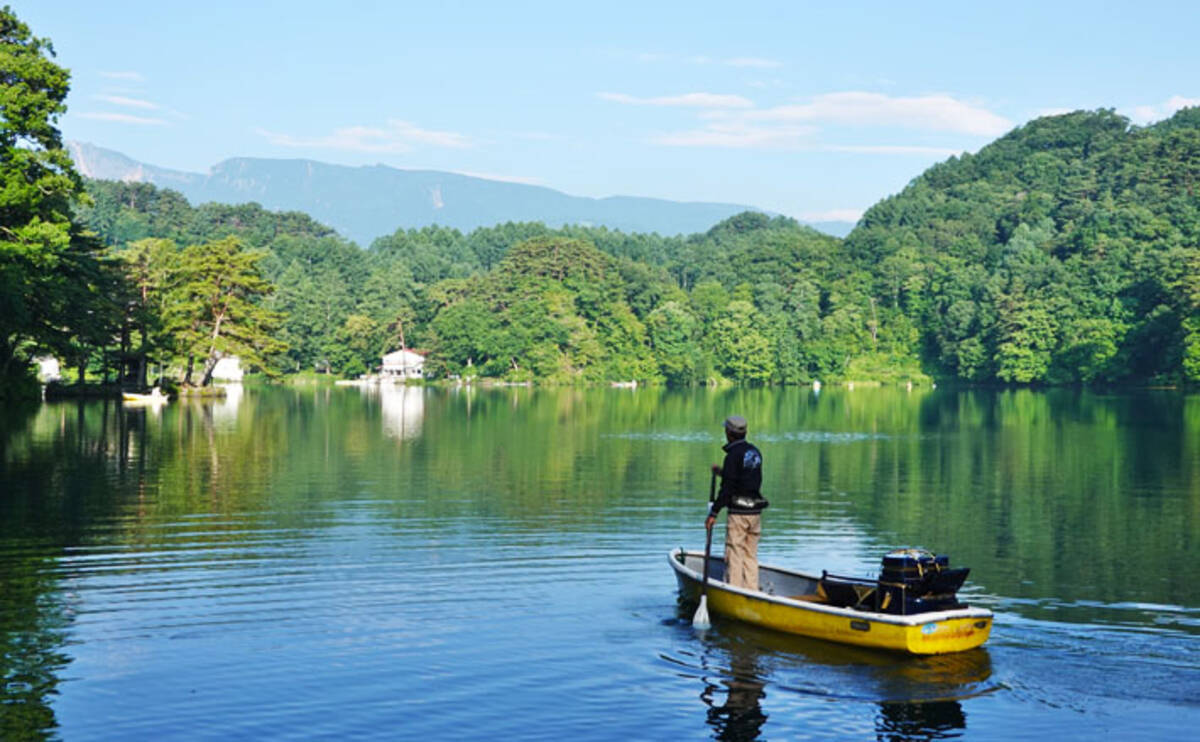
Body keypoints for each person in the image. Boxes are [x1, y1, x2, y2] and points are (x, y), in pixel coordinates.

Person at [705, 415, 768, 591]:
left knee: (735, 553)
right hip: (755, 512)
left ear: (729, 433)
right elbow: (745, 479)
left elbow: (728, 489)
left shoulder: (733, 456)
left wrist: (714, 513)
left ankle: (734, 591)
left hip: (739, 513)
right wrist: (723, 473)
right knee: (750, 554)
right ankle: (751, 590)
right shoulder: (754, 452)